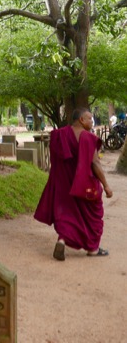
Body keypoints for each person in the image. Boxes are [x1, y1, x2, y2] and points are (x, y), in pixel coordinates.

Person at [34, 108, 113, 261]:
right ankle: (93, 248)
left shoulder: (60, 134)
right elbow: (95, 164)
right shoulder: (88, 138)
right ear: (81, 120)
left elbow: (56, 161)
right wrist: (106, 185)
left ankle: (62, 240)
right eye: (89, 118)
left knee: (67, 214)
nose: (92, 121)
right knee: (94, 215)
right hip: (84, 184)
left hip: (64, 185)